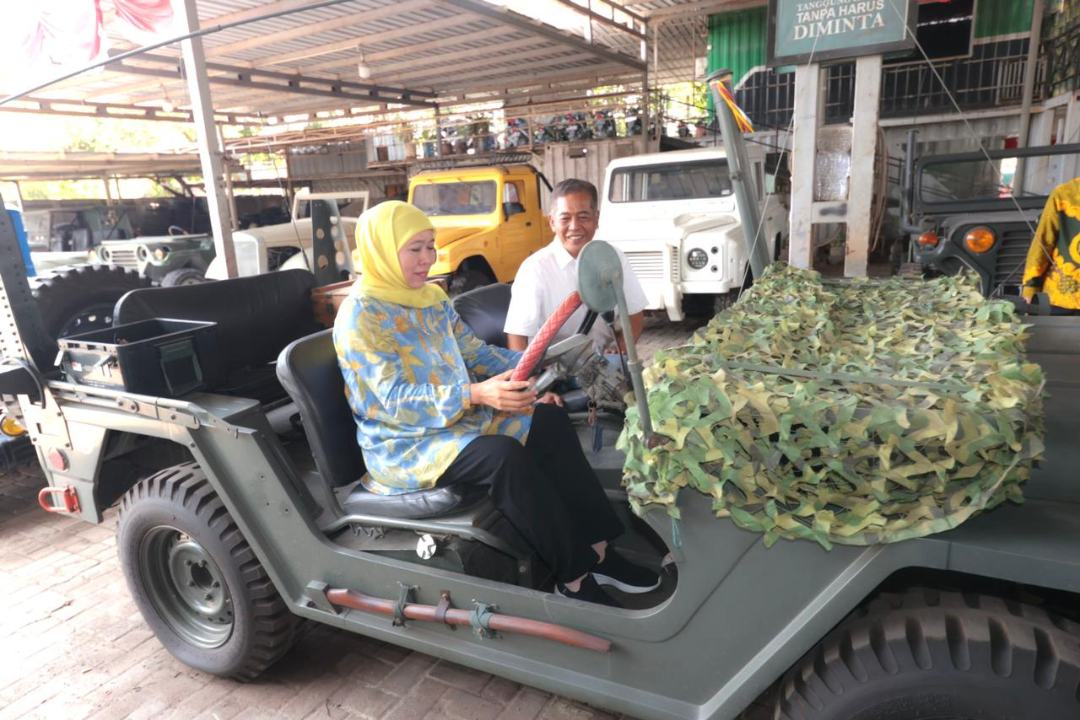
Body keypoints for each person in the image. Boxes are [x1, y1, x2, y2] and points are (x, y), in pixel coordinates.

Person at [333, 201, 659, 606]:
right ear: (383, 249)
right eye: (414, 249)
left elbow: (475, 354)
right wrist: (475, 394)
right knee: (501, 456)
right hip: (404, 441)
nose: (427, 259)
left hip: (458, 421)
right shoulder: (360, 315)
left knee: (548, 420)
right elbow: (390, 400)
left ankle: (598, 552)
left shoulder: (431, 298)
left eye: (430, 247)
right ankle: (572, 577)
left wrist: (542, 362)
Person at [504, 179, 648, 353]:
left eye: (583, 217)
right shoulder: (534, 269)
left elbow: (634, 314)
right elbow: (517, 336)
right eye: (565, 218)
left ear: (596, 218)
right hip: (555, 371)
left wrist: (621, 352)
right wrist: (532, 379)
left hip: (605, 364)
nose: (574, 227)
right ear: (552, 222)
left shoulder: (613, 257)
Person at [1022, 177, 1080, 312]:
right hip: (1062, 300)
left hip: (1062, 299)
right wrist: (1030, 289)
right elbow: (1043, 243)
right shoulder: (1063, 193)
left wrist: (1030, 289)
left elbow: (1043, 242)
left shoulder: (1065, 192)